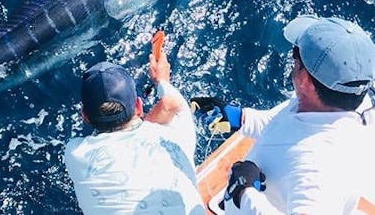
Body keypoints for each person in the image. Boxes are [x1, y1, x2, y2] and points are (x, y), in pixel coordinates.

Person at [192, 15, 375, 214]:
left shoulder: (316, 171)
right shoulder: (347, 98)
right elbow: (289, 125)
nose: (292, 66)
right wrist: (240, 118)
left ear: (304, 79)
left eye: (296, 62)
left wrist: (244, 193)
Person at [64, 52, 205, 214]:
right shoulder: (176, 136)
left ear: (85, 116)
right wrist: (162, 81)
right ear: (138, 106)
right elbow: (172, 103)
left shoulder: (75, 152)